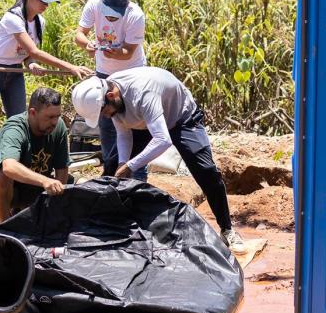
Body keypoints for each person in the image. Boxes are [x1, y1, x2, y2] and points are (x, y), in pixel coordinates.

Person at [71, 68, 250, 255]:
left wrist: (130, 165)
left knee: (206, 172)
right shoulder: (111, 96)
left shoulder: (143, 93)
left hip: (182, 118)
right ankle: (118, 227)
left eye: (104, 111)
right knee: (112, 170)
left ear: (111, 95)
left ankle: (227, 229)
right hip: (144, 123)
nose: (105, 116)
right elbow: (124, 134)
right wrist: (123, 163)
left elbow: (163, 140)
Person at [0, 0, 93, 172]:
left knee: (21, 124)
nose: (46, 4)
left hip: (14, 74)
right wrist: (70, 67)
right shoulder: (12, 18)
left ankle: (17, 174)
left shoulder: (39, 22)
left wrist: (32, 64)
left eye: (48, 0)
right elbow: (34, 51)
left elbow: (29, 55)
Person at [73, 0, 147, 181]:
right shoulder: (94, 4)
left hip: (133, 74)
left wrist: (114, 53)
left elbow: (128, 51)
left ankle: (138, 176)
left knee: (135, 123)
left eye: (116, 13)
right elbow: (79, 34)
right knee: (106, 123)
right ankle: (110, 171)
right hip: (104, 74)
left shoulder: (135, 15)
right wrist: (87, 44)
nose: (111, 16)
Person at [0, 87, 70, 221]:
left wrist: (56, 203)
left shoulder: (58, 127)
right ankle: (5, 225)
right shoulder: (15, 128)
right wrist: (45, 181)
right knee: (0, 175)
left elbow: (62, 168)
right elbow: (9, 167)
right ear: (32, 113)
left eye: (57, 116)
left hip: (33, 188)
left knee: (77, 184)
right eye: (49, 117)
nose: (54, 122)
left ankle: (33, 213)